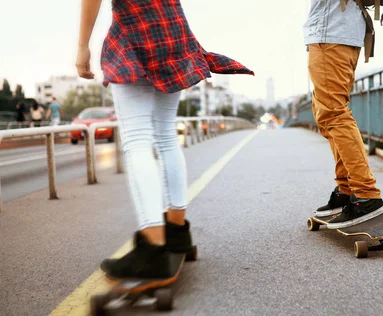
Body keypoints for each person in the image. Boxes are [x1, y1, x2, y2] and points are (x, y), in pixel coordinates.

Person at [76, 0, 253, 278]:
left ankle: (153, 249)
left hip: (135, 30)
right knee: (166, 135)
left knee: (137, 141)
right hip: (172, 32)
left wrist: (82, 45)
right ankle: (176, 231)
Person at [304, 0, 383, 229]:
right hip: (339, 33)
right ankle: (347, 188)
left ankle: (365, 194)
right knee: (327, 116)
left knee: (334, 115)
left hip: (331, 33)